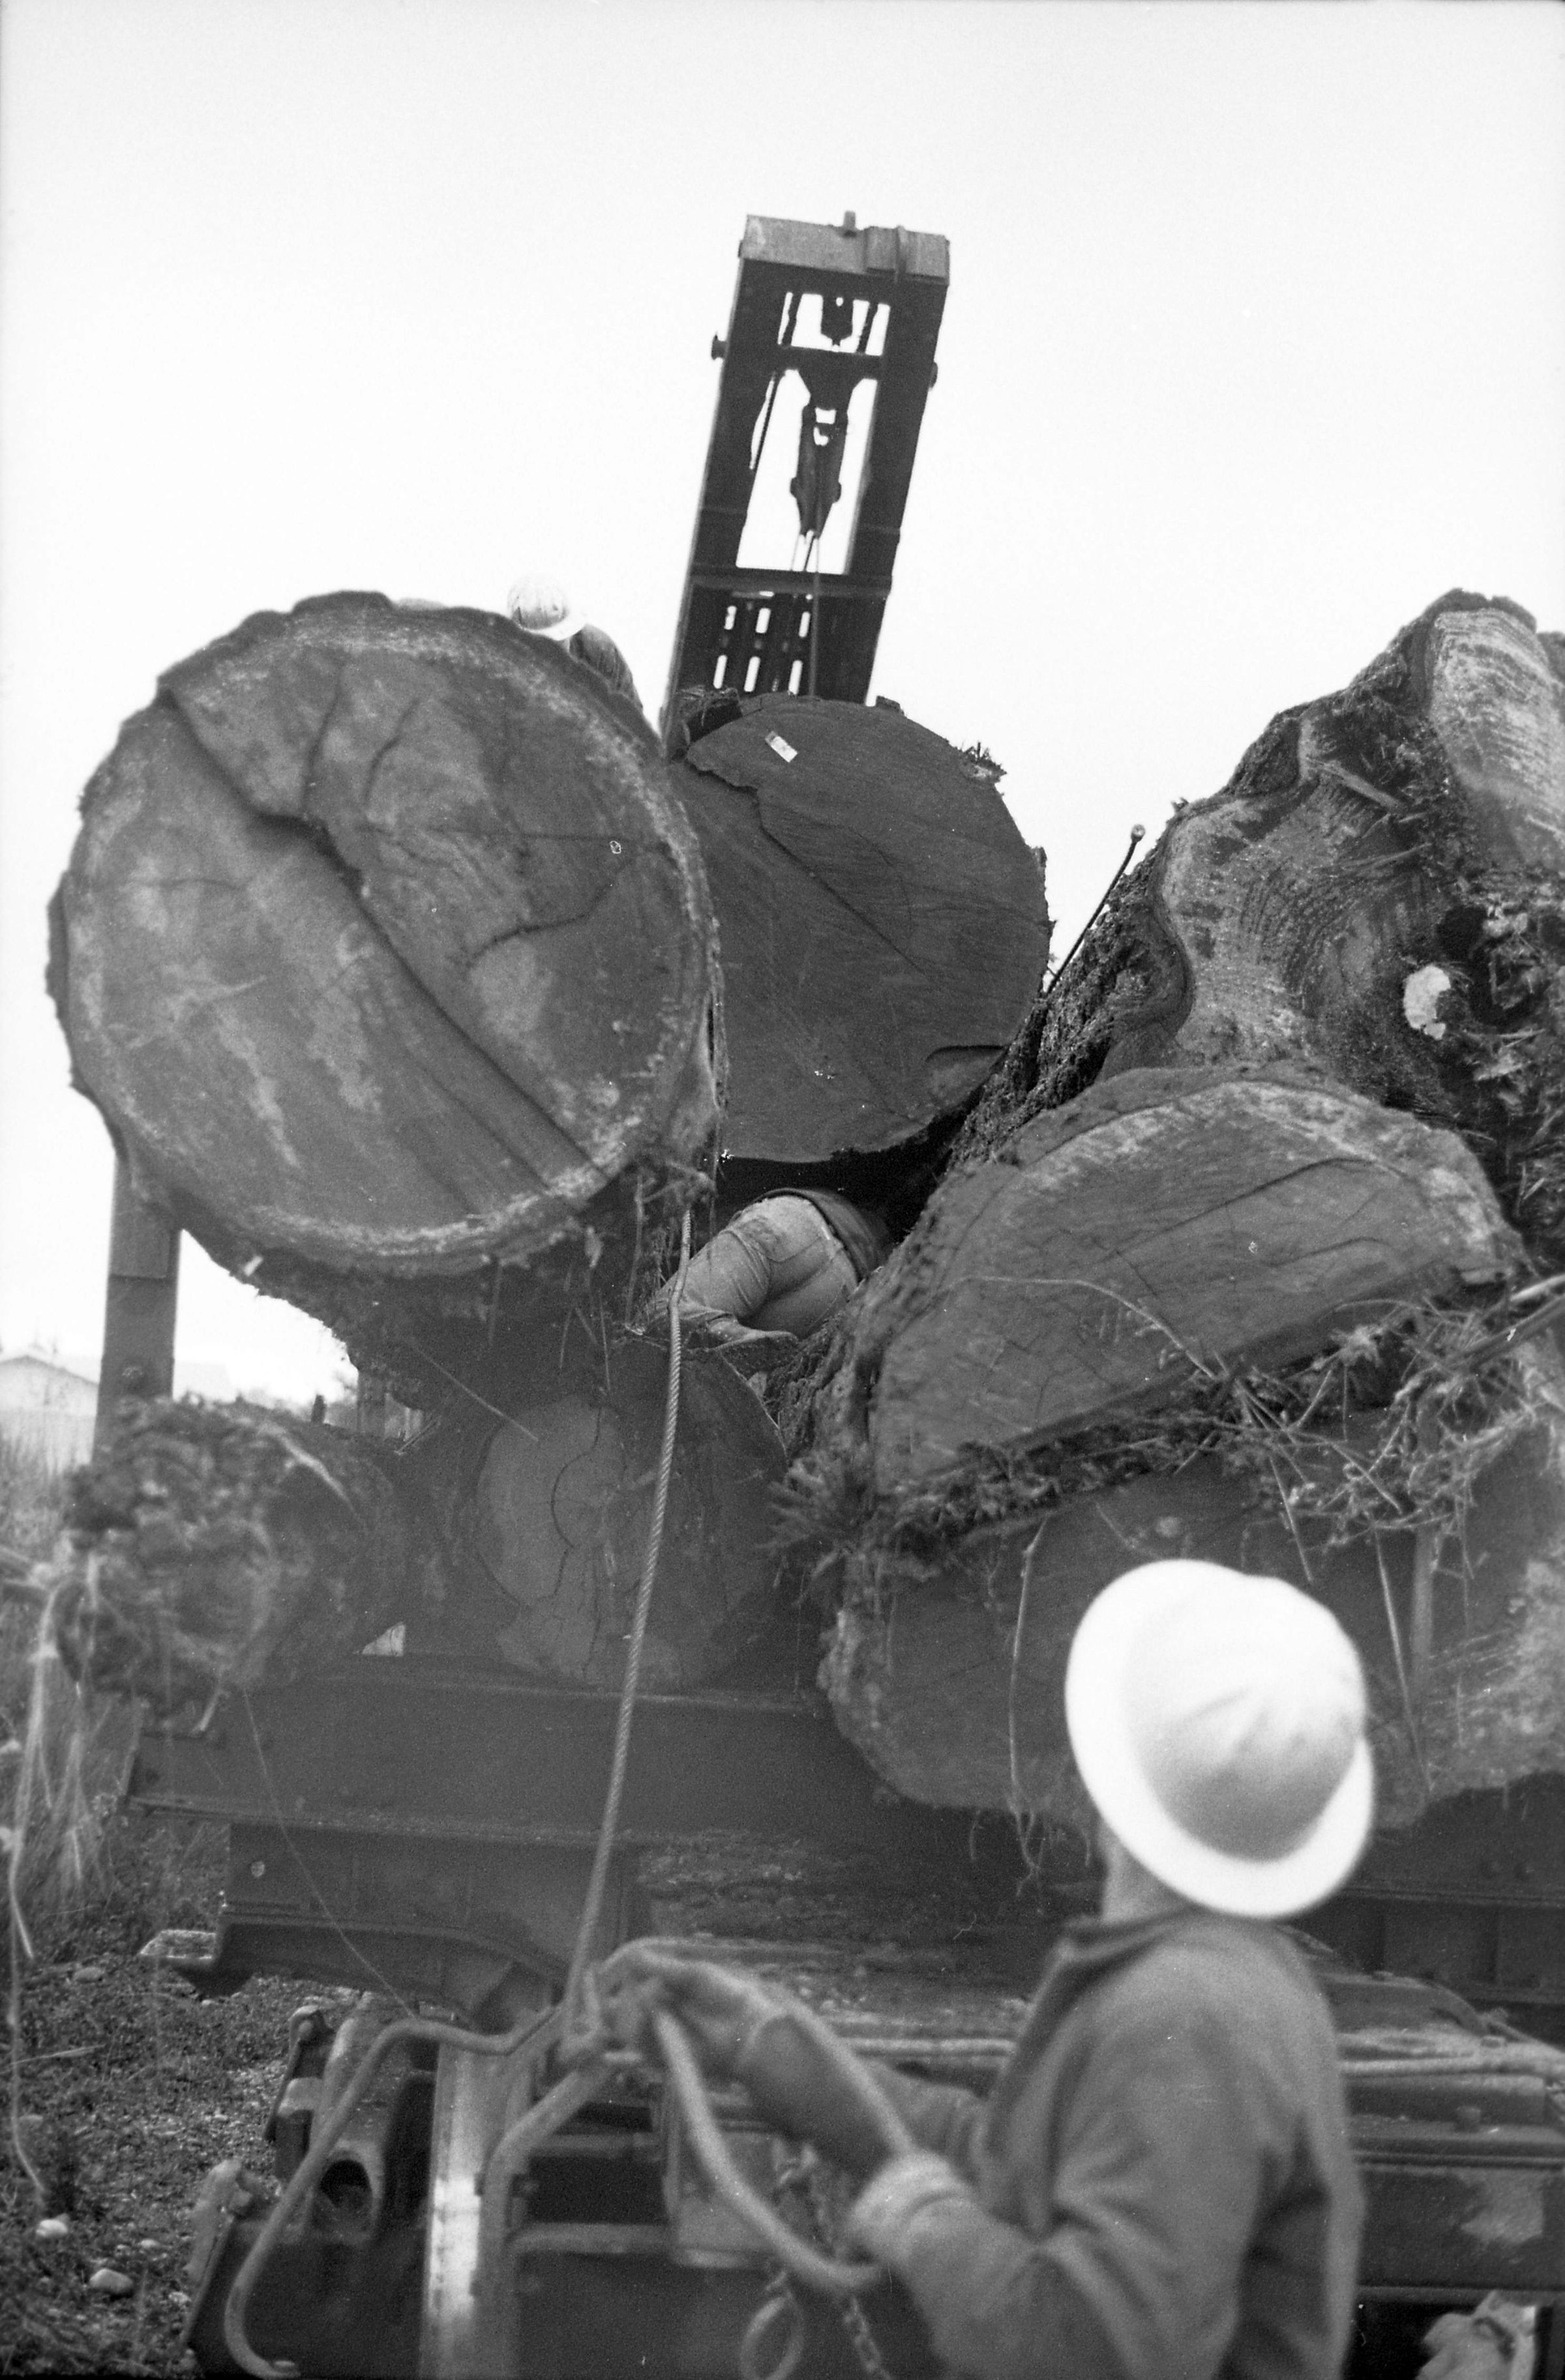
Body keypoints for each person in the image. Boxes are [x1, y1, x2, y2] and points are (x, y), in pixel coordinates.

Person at [603, 1560, 1375, 2379]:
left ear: (1104, 1781)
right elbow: (1015, 2174)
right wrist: (767, 2046)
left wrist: (925, 2224)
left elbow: (1094, 2352)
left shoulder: (1183, 2015)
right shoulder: (1222, 1980)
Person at [660, 1189, 891, 1351]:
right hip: (847, 1285)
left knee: (666, 1312)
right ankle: (742, 1340)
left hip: (786, 1228)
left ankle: (735, 1337)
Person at [506, 574, 642, 710]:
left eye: (559, 644)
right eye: (541, 647)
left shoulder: (599, 652)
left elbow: (631, 716)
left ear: (570, 634)